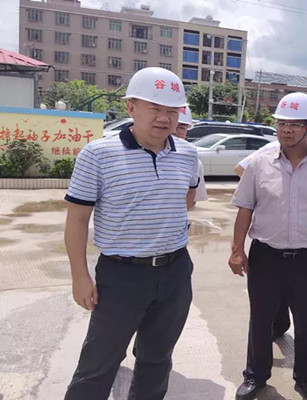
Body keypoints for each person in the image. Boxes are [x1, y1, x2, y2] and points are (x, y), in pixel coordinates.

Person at [63, 67, 200, 400]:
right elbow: (77, 220)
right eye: (154, 108)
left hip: (175, 273)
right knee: (99, 362)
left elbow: (187, 200)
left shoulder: (188, 154)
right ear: (131, 107)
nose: (164, 118)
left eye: (172, 110)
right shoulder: (98, 155)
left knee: (157, 358)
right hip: (121, 276)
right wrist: (80, 276)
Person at [228, 92, 307, 400]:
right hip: (265, 256)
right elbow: (245, 208)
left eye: (295, 124)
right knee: (261, 319)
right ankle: (255, 375)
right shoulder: (259, 163)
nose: (286, 130)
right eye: (282, 123)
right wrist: (237, 250)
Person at [174, 105, 208, 205]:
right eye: (171, 125)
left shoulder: (192, 160)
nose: (174, 132)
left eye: (181, 127)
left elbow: (192, 201)